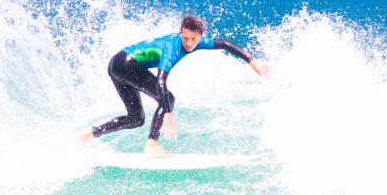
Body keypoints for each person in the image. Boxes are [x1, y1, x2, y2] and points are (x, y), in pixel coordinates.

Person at [79, 15, 271, 157]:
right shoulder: (172, 48)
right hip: (126, 65)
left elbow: (224, 44)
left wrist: (251, 61)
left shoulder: (200, 42)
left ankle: (89, 134)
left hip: (117, 64)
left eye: (193, 39)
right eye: (185, 37)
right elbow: (161, 81)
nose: (188, 43)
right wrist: (167, 109)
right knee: (168, 98)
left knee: (136, 119)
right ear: (180, 33)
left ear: (200, 36)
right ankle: (152, 145)